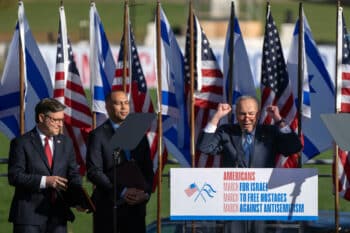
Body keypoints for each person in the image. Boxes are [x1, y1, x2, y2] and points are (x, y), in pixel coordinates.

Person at [196, 95, 303, 233]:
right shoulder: (227, 131)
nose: (247, 118)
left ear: (258, 114)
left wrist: (278, 119)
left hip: (262, 204)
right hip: (232, 206)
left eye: (251, 114)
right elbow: (204, 147)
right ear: (236, 114)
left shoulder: (270, 132)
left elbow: (294, 146)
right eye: (242, 114)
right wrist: (216, 117)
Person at [8, 98, 82, 233]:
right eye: (56, 120)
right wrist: (45, 181)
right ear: (42, 117)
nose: (60, 125)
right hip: (29, 218)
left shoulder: (66, 143)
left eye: (62, 120)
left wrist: (78, 198)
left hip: (58, 218)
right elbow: (15, 176)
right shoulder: (21, 143)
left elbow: (73, 174)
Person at [86, 90, 154, 233]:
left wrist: (145, 193)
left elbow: (148, 170)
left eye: (126, 103)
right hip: (109, 211)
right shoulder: (98, 135)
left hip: (136, 211)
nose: (124, 107)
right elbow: (94, 171)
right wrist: (122, 192)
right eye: (118, 104)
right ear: (108, 107)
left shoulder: (137, 133)